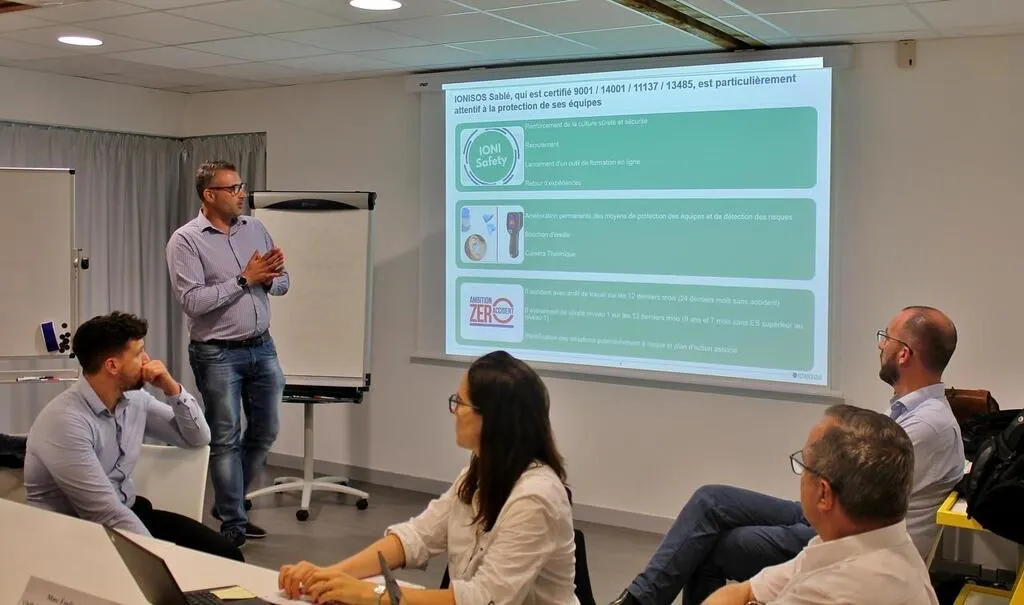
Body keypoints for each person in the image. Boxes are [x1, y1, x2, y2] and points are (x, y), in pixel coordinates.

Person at [612, 305, 965, 605]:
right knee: (711, 499)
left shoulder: (925, 426)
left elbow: (857, 500)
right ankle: (637, 600)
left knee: (714, 546)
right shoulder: (913, 412)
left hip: (852, 528)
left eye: (886, 338)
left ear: (904, 354)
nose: (880, 345)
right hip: (844, 514)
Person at [278, 351, 578, 605]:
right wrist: (332, 575)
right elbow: (417, 538)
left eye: (460, 403)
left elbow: (484, 599)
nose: (454, 411)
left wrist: (371, 594)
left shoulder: (536, 498)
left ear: (492, 419)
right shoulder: (478, 472)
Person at [23, 312, 243, 562]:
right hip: (70, 531)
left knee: (226, 555)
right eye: (139, 353)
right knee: (173, 568)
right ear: (112, 366)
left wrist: (172, 388)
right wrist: (162, 560)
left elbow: (198, 438)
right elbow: (104, 513)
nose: (147, 360)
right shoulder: (66, 421)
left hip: (125, 511)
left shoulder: (134, 400)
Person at [166, 160, 289, 548]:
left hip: (262, 347)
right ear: (209, 194)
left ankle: (226, 503)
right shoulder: (186, 241)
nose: (241, 194)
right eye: (233, 188)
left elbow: (283, 282)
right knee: (225, 438)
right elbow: (192, 302)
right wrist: (244, 280)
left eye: (241, 186)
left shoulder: (255, 228)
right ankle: (233, 522)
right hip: (217, 353)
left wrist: (268, 279)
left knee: (266, 431)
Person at [703, 404, 938, 605]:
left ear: (824, 493)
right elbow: (746, 591)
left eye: (804, 465)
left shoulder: (830, 592)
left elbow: (742, 594)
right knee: (711, 500)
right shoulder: (880, 544)